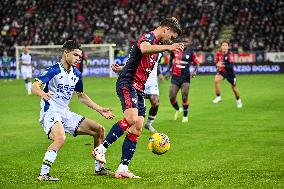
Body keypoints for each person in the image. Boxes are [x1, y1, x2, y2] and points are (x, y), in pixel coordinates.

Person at [93, 17, 184, 179]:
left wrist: (121, 67)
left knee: (137, 127)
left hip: (139, 89)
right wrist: (170, 47)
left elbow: (135, 61)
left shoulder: (158, 49)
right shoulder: (148, 38)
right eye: (172, 36)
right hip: (128, 83)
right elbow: (143, 49)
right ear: (166, 30)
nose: (171, 40)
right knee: (131, 118)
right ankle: (101, 149)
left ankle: (123, 168)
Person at [31, 40, 115, 181]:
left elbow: (81, 96)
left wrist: (100, 109)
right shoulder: (54, 70)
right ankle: (43, 174)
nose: (78, 58)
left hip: (65, 113)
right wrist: (42, 94)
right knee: (60, 137)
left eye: (79, 56)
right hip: (50, 112)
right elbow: (34, 86)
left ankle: (99, 168)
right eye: (75, 55)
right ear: (65, 53)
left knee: (99, 130)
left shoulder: (76, 73)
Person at [165, 38, 200, 122]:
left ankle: (185, 116)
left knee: (184, 97)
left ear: (189, 43)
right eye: (183, 41)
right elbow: (170, 61)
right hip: (175, 77)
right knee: (172, 97)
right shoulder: (175, 50)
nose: (185, 43)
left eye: (186, 42)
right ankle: (177, 109)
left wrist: (195, 72)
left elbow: (197, 64)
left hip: (185, 78)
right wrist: (167, 71)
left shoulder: (191, 52)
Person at [212, 41, 242, 108]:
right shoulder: (218, 53)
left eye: (226, 45)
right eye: (223, 45)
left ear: (228, 47)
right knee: (216, 80)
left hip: (230, 73)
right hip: (222, 72)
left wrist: (221, 65)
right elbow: (216, 63)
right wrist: (217, 66)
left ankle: (238, 100)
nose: (224, 47)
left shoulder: (230, 54)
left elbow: (231, 66)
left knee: (234, 88)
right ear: (221, 47)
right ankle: (218, 97)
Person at [144, 52, 163, 133]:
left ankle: (148, 124)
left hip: (152, 83)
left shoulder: (159, 53)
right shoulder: (142, 49)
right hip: (140, 81)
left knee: (155, 103)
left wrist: (160, 74)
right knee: (138, 109)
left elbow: (158, 63)